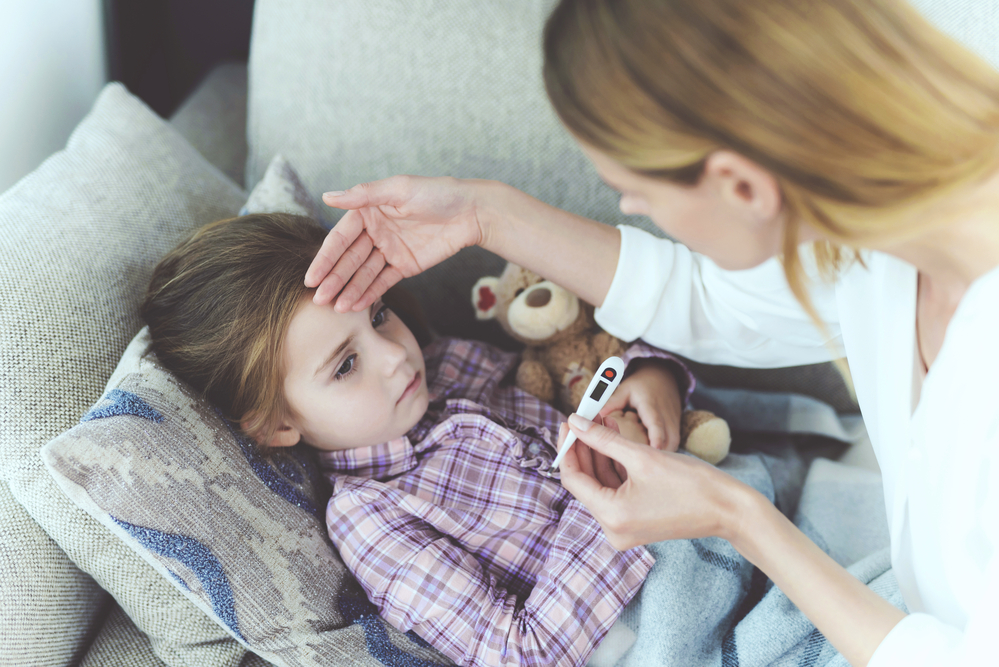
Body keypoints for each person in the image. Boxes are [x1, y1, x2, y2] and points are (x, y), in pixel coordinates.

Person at [303, 1, 999, 665]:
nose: (630, 208)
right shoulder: (879, 235)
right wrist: (484, 216)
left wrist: (736, 516)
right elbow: (704, 301)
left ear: (742, 187)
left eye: (637, 193)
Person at [140, 212, 705, 667]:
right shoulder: (370, 516)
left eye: (380, 315)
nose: (395, 354)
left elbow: (576, 381)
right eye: (346, 365)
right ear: (277, 425)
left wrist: (648, 378)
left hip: (702, 502)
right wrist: (605, 488)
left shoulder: (447, 364)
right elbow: (519, 654)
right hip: (645, 616)